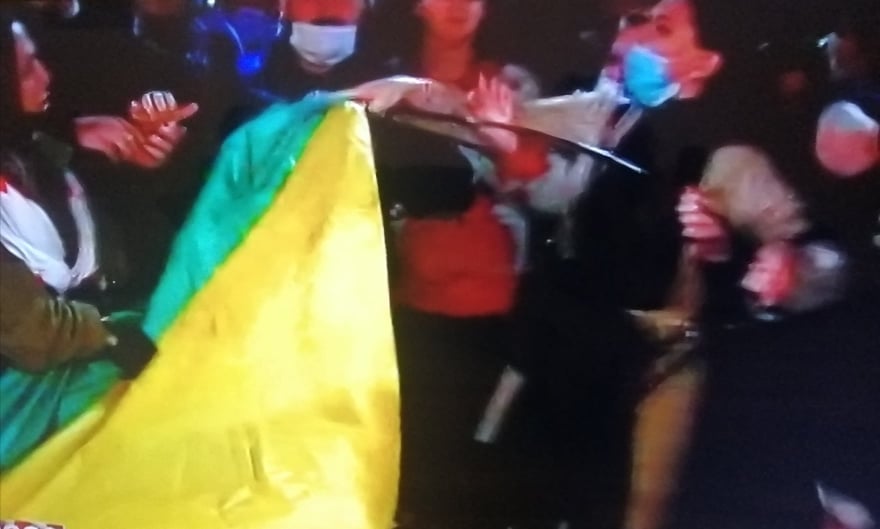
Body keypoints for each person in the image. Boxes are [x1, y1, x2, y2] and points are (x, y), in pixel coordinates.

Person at [0, 11, 154, 472]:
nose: (45, 77)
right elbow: (30, 331)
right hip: (23, 395)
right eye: (26, 70)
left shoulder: (34, 154)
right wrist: (106, 333)